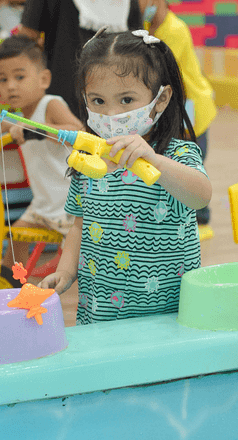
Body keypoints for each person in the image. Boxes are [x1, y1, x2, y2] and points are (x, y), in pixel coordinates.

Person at [39, 28, 212, 323]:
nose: (111, 114)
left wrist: (155, 161)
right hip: (101, 310)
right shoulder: (89, 160)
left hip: (167, 313)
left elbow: (201, 196)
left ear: (161, 99)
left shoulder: (176, 154)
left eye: (127, 100)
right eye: (98, 101)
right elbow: (79, 226)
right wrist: (66, 272)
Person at [127, 0, 216, 225]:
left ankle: (200, 216)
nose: (133, 4)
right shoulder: (149, 25)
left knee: (190, 163)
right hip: (178, 108)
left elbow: (161, 74)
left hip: (191, 110)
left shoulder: (174, 30)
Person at [0, 35, 83, 268]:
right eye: (3, 79)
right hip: (42, 206)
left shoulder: (51, 104)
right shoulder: (21, 116)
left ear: (43, 79)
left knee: (74, 265)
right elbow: (9, 123)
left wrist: (37, 129)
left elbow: (78, 131)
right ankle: (8, 281)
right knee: (15, 235)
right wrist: (3, 124)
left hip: (70, 205)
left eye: (19, 77)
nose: (10, 85)